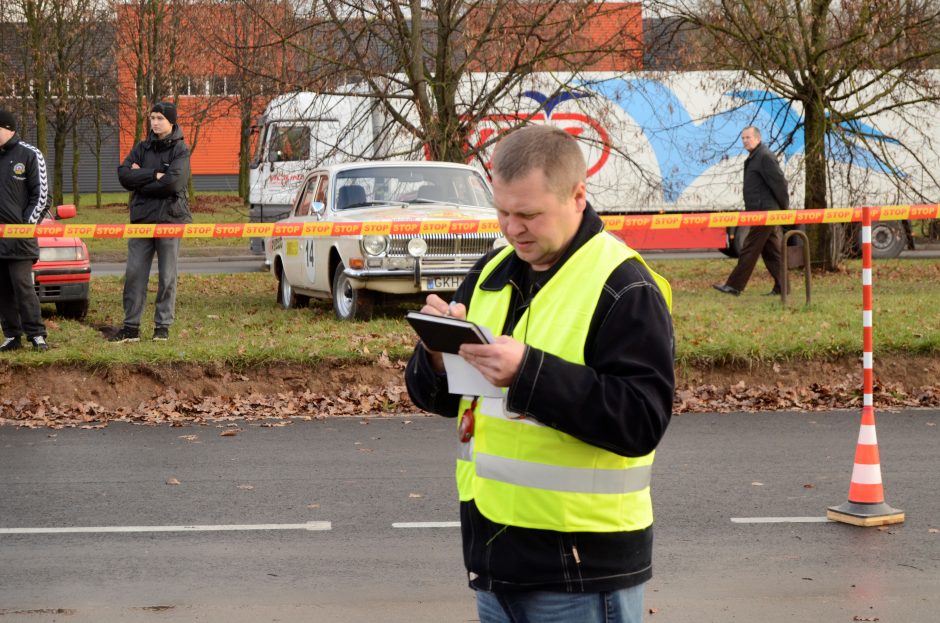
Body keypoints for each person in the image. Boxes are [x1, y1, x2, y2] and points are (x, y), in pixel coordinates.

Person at [405, 125, 674, 623]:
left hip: (583, 573)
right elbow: (443, 400)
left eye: (528, 214)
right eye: (502, 212)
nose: (512, 229)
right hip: (494, 561)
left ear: (578, 196)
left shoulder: (624, 286)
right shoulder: (491, 272)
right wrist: (437, 357)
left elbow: (641, 420)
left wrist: (528, 373)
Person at [111, 102, 191, 343]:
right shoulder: (142, 147)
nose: (154, 122)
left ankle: (162, 326)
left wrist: (141, 177)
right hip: (142, 220)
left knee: (167, 276)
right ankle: (131, 327)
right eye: (152, 117)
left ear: (171, 121)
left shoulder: (181, 150)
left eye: (159, 118)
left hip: (170, 219)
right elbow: (124, 175)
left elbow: (173, 184)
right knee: (134, 273)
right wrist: (154, 174)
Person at [713, 126, 790, 296]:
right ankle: (783, 287)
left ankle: (734, 286)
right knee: (771, 252)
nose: (745, 141)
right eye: (743, 138)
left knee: (749, 249)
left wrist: (784, 209)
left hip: (766, 214)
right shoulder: (755, 157)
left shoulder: (764, 157)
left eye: (748, 137)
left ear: (757, 138)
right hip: (759, 213)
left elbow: (780, 184)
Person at [0, 109, 49, 352]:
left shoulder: (30, 154)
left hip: (19, 240)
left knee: (23, 286)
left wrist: (24, 228)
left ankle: (36, 335)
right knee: (3, 290)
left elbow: (41, 197)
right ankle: (11, 335)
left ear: (7, 128)